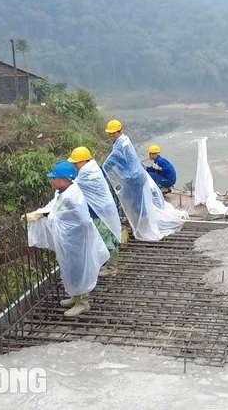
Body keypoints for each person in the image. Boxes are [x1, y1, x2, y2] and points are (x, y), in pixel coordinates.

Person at [23, 161, 109, 317]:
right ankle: (76, 295)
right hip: (69, 239)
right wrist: (40, 213)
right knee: (70, 267)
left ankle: (83, 302)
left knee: (79, 268)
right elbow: (54, 207)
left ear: (64, 180)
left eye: (54, 178)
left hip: (77, 239)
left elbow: (80, 220)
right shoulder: (63, 192)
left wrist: (50, 217)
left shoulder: (71, 197)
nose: (52, 181)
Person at [102, 120, 188, 241]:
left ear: (120, 131)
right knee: (133, 202)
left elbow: (109, 162)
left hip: (134, 180)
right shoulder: (125, 140)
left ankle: (145, 228)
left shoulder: (119, 146)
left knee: (137, 205)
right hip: (136, 177)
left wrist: (99, 172)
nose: (111, 135)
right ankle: (139, 224)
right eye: (109, 133)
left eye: (113, 133)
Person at [67, 146, 123, 277]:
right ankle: (109, 264)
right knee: (110, 237)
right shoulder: (94, 167)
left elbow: (73, 187)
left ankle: (112, 268)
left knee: (106, 239)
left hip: (99, 213)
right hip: (105, 209)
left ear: (83, 162)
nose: (74, 166)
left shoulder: (86, 173)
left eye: (76, 163)